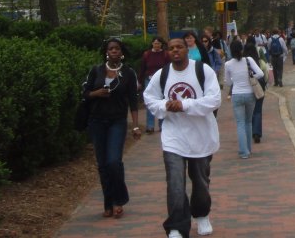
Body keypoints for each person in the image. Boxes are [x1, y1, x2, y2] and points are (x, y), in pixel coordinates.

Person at [143, 36, 221, 238]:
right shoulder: (162, 75)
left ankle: (202, 215)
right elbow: (149, 98)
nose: (175, 50)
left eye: (179, 47)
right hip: (173, 137)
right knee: (175, 182)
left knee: (201, 181)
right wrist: (165, 106)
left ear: (188, 49)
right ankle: (177, 226)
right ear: (168, 52)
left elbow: (214, 100)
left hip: (201, 137)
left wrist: (185, 105)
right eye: (171, 48)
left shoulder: (203, 71)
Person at [83, 37, 141, 219]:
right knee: (102, 165)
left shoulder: (128, 73)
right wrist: (96, 93)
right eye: (111, 49)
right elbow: (84, 93)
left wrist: (136, 126)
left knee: (114, 162)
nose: (114, 51)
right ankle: (108, 202)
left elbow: (133, 100)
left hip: (117, 121)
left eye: (117, 49)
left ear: (122, 52)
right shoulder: (96, 71)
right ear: (106, 52)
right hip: (97, 121)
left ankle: (119, 200)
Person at [224, 39, 264, 159]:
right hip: (250, 93)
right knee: (248, 121)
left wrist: (235, 80)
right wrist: (251, 77)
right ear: (241, 49)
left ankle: (243, 152)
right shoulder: (248, 60)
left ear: (230, 51)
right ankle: (248, 149)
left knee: (240, 123)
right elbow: (261, 73)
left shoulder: (228, 64)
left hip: (236, 94)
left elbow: (228, 82)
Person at [139, 37, 169, 133]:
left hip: (162, 80)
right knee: (150, 102)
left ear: (161, 44)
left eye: (158, 43)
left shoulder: (165, 54)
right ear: (152, 44)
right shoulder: (147, 54)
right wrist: (139, 81)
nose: (156, 45)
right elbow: (142, 68)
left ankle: (162, 125)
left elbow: (169, 67)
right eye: (155, 43)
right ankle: (150, 126)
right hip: (149, 80)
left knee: (162, 102)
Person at [243, 42, 268, 143]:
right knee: (257, 110)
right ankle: (257, 133)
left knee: (248, 111)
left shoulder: (242, 62)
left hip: (246, 88)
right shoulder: (259, 61)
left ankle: (249, 131)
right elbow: (265, 74)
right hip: (258, 87)